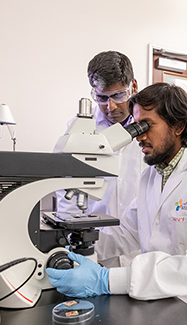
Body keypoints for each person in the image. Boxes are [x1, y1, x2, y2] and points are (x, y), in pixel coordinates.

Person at [46, 83, 187, 325]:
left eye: (146, 125)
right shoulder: (151, 176)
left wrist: (105, 280)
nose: (138, 136)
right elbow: (126, 233)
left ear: (178, 126)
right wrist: (77, 252)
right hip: (164, 293)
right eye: (135, 126)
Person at [55, 51, 144, 255]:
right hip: (97, 244)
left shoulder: (151, 128)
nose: (109, 106)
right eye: (101, 97)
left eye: (118, 95)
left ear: (134, 87)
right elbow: (66, 192)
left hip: (142, 247)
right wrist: (73, 244)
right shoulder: (79, 130)